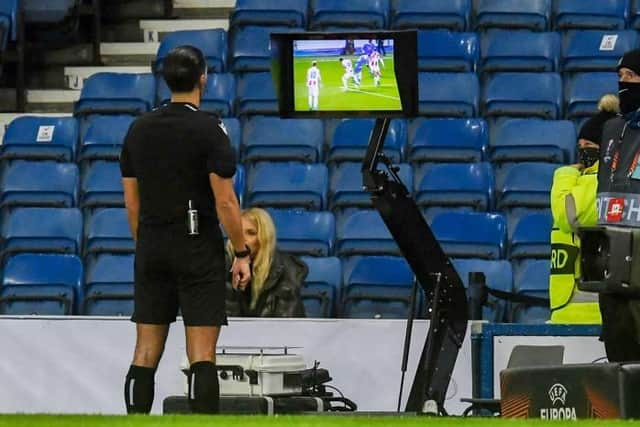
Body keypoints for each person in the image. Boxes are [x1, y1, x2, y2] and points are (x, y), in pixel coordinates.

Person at [119, 45, 252, 414]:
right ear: (203, 78)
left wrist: (144, 243)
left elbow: (132, 201)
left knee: (145, 351)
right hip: (196, 245)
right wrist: (241, 252)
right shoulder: (210, 128)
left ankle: (135, 423)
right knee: (201, 354)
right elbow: (225, 200)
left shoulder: (138, 128)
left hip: (151, 244)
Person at [549, 94, 619, 324]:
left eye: (588, 146)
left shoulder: (602, 183)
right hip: (569, 310)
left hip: (589, 313)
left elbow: (566, 215)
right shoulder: (583, 181)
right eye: (579, 146)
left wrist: (564, 174)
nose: (583, 152)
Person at [596, 48, 640, 361]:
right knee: (618, 347)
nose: (623, 84)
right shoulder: (612, 129)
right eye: (620, 77)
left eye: (631, 77)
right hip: (612, 253)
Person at [226, 208, 307, 317]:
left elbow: (287, 325)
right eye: (238, 233)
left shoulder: (288, 272)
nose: (243, 239)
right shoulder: (223, 267)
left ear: (264, 238)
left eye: (251, 233)